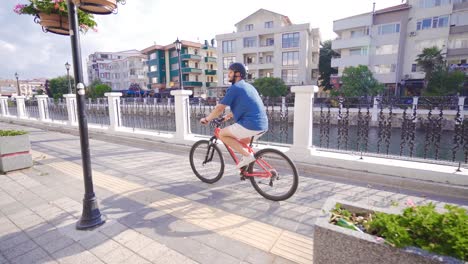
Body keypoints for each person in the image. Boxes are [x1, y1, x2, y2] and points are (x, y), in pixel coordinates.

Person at [200, 63, 268, 169]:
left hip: (250, 124)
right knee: (242, 142)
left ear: (238, 74)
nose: (228, 75)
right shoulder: (249, 87)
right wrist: (228, 116)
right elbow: (246, 105)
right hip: (263, 125)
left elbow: (219, 108)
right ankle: (247, 165)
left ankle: (247, 157)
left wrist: (207, 119)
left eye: (231, 72)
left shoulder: (235, 88)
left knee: (222, 134)